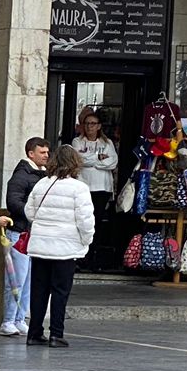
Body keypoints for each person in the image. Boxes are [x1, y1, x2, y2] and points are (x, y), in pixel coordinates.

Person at [24, 145, 95, 348]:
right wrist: (86, 240)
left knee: (39, 291)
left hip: (40, 246)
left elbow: (30, 212)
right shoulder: (78, 188)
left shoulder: (41, 185)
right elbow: (85, 220)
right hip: (65, 248)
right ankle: (56, 333)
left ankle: (34, 332)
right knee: (60, 291)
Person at [0, 136, 49, 336]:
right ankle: (8, 320)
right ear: (31, 153)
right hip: (19, 233)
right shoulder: (22, 175)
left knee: (28, 280)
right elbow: (13, 201)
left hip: (32, 233)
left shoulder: (42, 175)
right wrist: (32, 213)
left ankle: (20, 318)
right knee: (16, 279)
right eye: (42, 152)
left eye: (47, 152)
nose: (46, 156)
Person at [73, 108, 119, 268]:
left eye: (93, 124)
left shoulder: (107, 143)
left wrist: (90, 160)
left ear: (99, 126)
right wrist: (99, 159)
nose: (89, 127)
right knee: (82, 220)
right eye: (86, 124)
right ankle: (81, 256)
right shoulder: (77, 142)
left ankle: (93, 257)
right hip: (83, 186)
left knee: (96, 222)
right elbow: (78, 160)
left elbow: (112, 162)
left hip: (102, 188)